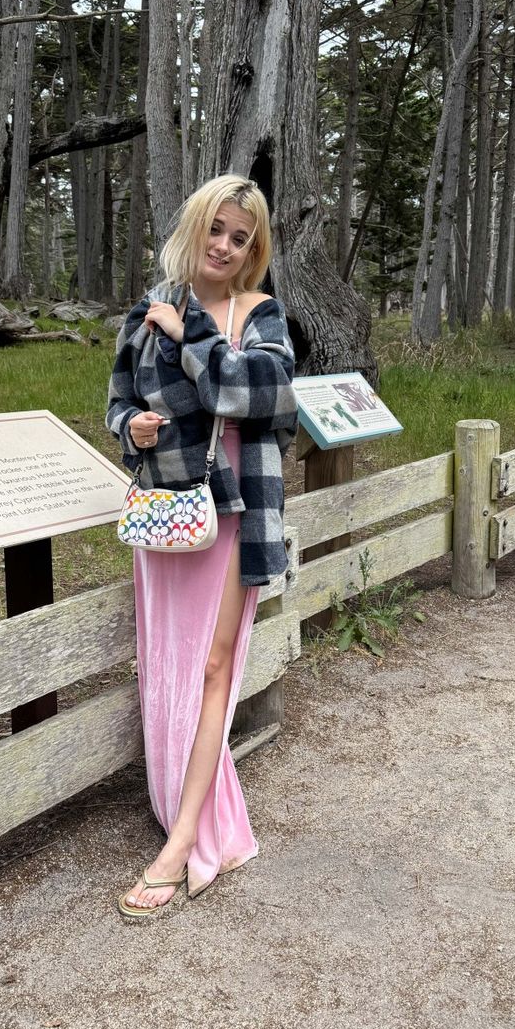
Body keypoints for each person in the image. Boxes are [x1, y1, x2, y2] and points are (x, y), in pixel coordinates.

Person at [106, 174, 298, 916]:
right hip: (169, 513)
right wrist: (131, 429)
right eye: (215, 228)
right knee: (168, 664)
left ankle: (182, 840)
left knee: (214, 665)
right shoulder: (148, 310)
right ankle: (183, 803)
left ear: (253, 250)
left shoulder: (258, 313)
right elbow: (118, 401)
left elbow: (265, 395)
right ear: (193, 227)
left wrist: (195, 338)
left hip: (235, 511)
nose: (224, 246)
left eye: (240, 238)